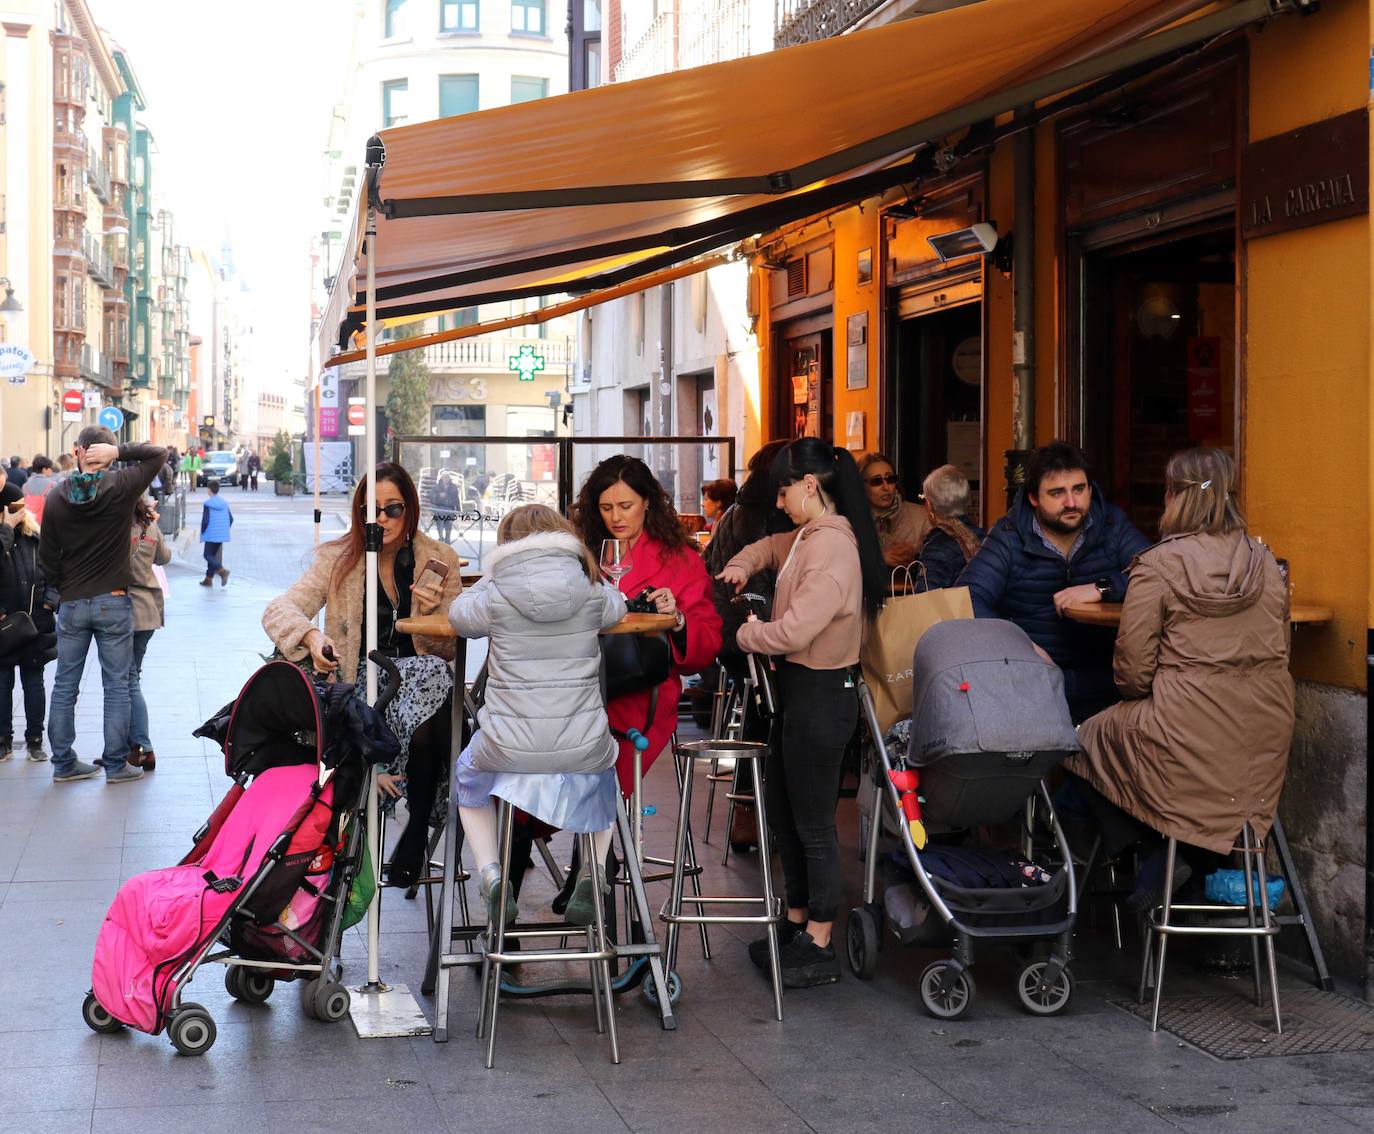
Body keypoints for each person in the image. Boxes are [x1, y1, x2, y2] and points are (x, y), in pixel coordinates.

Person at [1063, 448, 1295, 909]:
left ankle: (1160, 855)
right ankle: (1185, 858)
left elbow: (1131, 674)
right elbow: (1281, 648)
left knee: (1082, 741)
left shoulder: (1157, 565)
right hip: (1264, 741)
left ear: (1172, 497)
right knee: (1173, 766)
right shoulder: (1267, 564)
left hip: (1184, 734)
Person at [717, 437, 886, 988]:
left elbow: (795, 631)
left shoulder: (833, 547)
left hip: (820, 695)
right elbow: (770, 545)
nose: (780, 502)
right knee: (787, 815)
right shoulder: (811, 535)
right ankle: (794, 923)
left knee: (814, 825)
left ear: (809, 486)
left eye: (784, 491)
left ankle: (818, 940)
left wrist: (746, 634)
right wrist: (742, 564)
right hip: (800, 693)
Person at [262, 462, 464, 886]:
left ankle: (412, 823)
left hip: (422, 685)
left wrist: (428, 615)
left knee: (435, 684)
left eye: (392, 509)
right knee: (435, 695)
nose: (381, 520)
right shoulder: (338, 558)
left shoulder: (439, 559)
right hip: (360, 681)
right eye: (370, 510)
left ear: (410, 510)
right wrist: (312, 637)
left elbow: (450, 646)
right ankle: (401, 797)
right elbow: (279, 609)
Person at [452, 504, 628, 925]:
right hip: (582, 744)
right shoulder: (589, 589)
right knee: (604, 769)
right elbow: (618, 606)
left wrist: (489, 578)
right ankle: (595, 868)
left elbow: (459, 617)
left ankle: (493, 876)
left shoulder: (496, 593)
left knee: (466, 774)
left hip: (506, 747)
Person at [956, 441, 1151, 722]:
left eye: (1079, 489)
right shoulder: (1009, 537)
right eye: (1057, 493)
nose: (1071, 502)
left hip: (1108, 683)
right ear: (1033, 498)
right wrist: (1019, 645)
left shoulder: (1111, 525)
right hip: (1031, 685)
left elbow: (1155, 576)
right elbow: (966, 599)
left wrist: (1101, 588)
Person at [573, 455, 722, 799]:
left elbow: (709, 639)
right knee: (532, 737)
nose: (616, 517)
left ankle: (600, 835)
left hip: (642, 686)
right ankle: (526, 829)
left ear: (648, 502)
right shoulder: (580, 553)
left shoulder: (680, 559)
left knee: (599, 750)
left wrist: (678, 619)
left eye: (625, 505)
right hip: (579, 678)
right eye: (606, 507)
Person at [39, 428, 168, 784]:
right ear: (105, 452)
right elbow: (158, 453)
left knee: (65, 684)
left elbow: (47, 558)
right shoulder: (121, 486)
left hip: (73, 602)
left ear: (77, 451)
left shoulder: (56, 498)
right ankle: (115, 765)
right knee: (116, 685)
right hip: (113, 600)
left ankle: (63, 763)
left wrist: (65, 587)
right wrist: (119, 452)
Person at [703, 440, 791, 849]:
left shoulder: (736, 511)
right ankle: (759, 809)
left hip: (730, 636)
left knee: (764, 709)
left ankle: (750, 808)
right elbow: (760, 594)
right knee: (772, 709)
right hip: (749, 639)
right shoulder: (765, 519)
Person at [0, 488, 55, 762]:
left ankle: (35, 739)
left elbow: (55, 572)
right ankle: (3, 739)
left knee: (34, 683)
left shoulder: (35, 537)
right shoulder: (2, 539)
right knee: (2, 683)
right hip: (4, 626)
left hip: (35, 623)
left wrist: (48, 605)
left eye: (17, 507)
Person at [125, 496, 170, 771]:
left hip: (126, 608)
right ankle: (132, 744)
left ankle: (143, 746)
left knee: (128, 680)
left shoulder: (117, 528)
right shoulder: (149, 527)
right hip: (150, 609)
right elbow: (164, 557)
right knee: (133, 675)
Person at [912, 464, 984, 590]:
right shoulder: (982, 537)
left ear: (930, 505)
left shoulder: (936, 548)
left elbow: (926, 599)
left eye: (924, 498)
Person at [857, 452, 929, 569]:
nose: (886, 487)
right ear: (861, 485)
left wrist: (916, 557)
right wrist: (879, 558)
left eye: (890, 479)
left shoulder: (921, 517)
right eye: (877, 481)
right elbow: (841, 564)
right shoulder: (851, 520)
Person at [200, 480, 232, 587]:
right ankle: (208, 579)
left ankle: (222, 571)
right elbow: (231, 518)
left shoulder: (208, 504)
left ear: (209, 490)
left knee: (207, 555)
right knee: (212, 556)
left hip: (211, 533)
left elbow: (205, 520)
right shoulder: (224, 502)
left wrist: (203, 532)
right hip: (221, 534)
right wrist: (224, 530)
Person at [432, 470, 459, 544]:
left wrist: (458, 510)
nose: (446, 478)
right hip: (439, 509)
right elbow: (432, 498)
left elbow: (457, 499)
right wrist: (439, 496)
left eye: (447, 477)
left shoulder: (454, 487)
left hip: (450, 509)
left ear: (449, 478)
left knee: (448, 528)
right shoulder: (436, 487)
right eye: (444, 477)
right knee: (440, 527)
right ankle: (441, 540)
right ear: (442, 478)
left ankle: (447, 543)